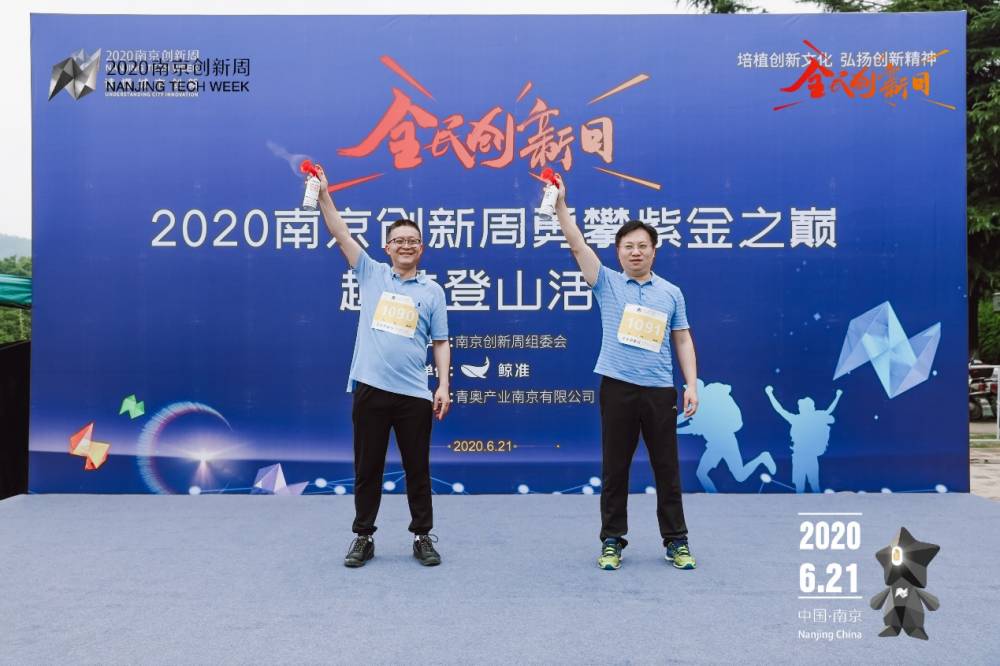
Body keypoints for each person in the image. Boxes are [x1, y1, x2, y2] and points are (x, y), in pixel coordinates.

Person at [552, 174, 699, 571]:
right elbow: (577, 244)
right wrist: (561, 206)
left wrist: (691, 385)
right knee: (615, 468)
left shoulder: (670, 293)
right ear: (617, 252)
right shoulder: (607, 284)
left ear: (654, 251)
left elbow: (682, 339)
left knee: (666, 468)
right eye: (628, 246)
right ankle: (612, 540)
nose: (636, 252)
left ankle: (676, 541)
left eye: (642, 246)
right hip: (617, 387)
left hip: (659, 391)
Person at [314, 164, 451, 567]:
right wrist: (324, 195)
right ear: (387, 247)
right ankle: (363, 536)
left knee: (417, 469)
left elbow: (440, 342)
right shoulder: (371, 273)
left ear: (421, 248)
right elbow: (341, 232)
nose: (406, 245)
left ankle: (422, 536)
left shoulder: (432, 291)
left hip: (414, 394)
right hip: (371, 388)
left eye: (413, 241)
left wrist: (443, 385)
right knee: (368, 468)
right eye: (399, 241)